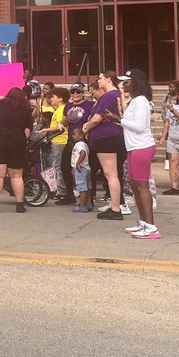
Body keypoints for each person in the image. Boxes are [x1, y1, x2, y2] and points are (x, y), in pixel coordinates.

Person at [82, 71, 129, 220]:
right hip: (114, 135)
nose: (98, 80)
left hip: (106, 136)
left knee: (111, 174)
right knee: (112, 173)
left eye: (100, 78)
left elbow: (97, 118)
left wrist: (86, 127)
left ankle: (115, 208)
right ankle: (115, 205)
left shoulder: (108, 96)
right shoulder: (117, 95)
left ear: (108, 79)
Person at [119, 70, 159, 239]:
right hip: (134, 147)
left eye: (127, 82)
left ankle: (151, 226)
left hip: (141, 147)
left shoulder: (141, 101)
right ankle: (143, 222)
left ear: (135, 82)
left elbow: (140, 126)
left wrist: (117, 119)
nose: (123, 84)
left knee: (142, 186)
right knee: (135, 185)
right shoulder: (135, 100)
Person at [42, 86, 71, 204]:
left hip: (60, 140)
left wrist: (47, 130)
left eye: (53, 97)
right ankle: (60, 190)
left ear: (60, 99)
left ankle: (61, 191)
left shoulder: (61, 109)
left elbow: (60, 127)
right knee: (57, 165)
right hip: (57, 140)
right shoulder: (58, 109)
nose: (51, 99)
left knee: (57, 166)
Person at [70, 131, 93, 212]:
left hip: (81, 168)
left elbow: (82, 153)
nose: (72, 136)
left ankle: (82, 206)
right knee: (87, 188)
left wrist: (77, 164)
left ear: (81, 136)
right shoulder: (85, 145)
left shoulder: (79, 144)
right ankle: (88, 203)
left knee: (81, 188)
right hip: (86, 168)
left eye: (74, 134)